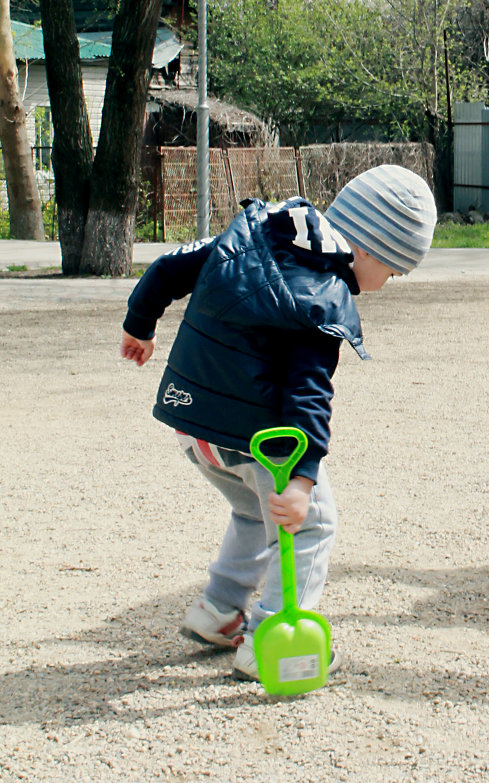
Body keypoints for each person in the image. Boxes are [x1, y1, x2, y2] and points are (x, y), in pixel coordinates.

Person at [120, 164, 437, 679]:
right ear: (371, 249)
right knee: (310, 522)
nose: (388, 283)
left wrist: (140, 325)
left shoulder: (255, 227)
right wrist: (304, 479)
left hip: (192, 422)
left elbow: (172, 265)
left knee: (252, 512)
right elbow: (309, 394)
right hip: (257, 437)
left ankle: (219, 611)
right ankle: (270, 634)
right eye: (395, 270)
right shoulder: (326, 295)